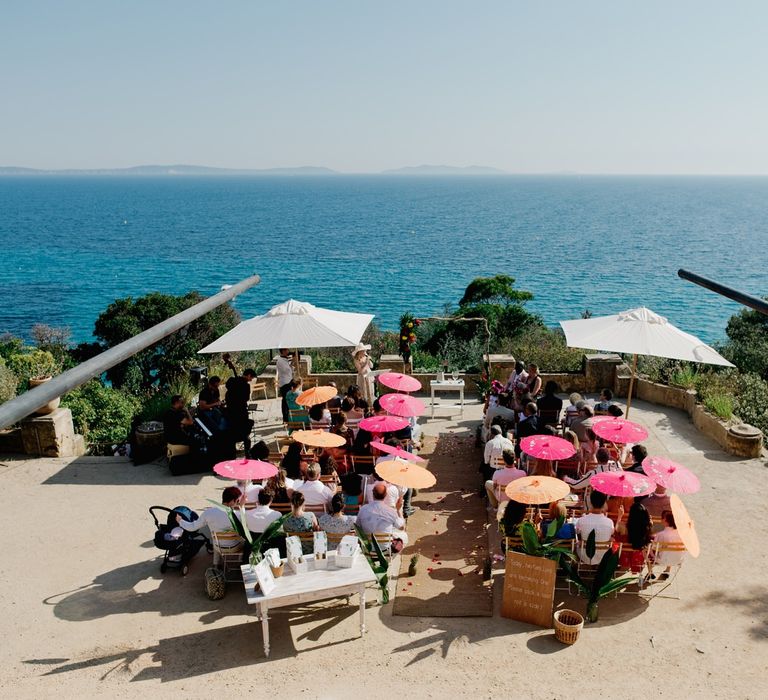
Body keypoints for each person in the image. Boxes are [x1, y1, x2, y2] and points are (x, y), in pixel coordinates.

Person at [176, 486, 243, 564]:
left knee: (216, 539)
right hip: (234, 547)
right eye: (237, 501)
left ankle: (216, 563)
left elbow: (193, 527)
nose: (238, 503)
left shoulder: (209, 512)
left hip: (218, 545)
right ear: (232, 501)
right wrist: (242, 508)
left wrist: (180, 521)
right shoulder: (238, 515)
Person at [221, 354, 256, 452]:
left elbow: (228, 388)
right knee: (245, 434)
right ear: (248, 375)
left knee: (232, 432)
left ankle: (232, 451)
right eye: (251, 378)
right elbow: (245, 398)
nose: (251, 380)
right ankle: (247, 453)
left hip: (231, 412)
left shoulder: (232, 381)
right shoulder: (245, 386)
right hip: (241, 412)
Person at [357, 482, 408, 548]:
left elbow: (358, 526)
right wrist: (398, 510)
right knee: (404, 536)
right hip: (385, 547)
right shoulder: (391, 511)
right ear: (386, 495)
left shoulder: (363, 509)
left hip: (368, 547)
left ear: (373, 494)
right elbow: (402, 527)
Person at [575, 490, 616, 564]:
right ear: (604, 503)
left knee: (576, 542)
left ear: (590, 502)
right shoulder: (609, 522)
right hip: (603, 556)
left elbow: (577, 533)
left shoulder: (581, 520)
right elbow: (612, 534)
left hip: (584, 555)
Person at [615, 499, 653, 573]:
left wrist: (620, 516)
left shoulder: (623, 527)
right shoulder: (648, 525)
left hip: (623, 557)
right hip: (639, 558)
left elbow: (615, 530)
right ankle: (649, 571)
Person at [652, 510, 685, 574]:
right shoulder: (681, 533)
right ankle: (668, 569)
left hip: (663, 560)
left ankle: (650, 573)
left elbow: (654, 548)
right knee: (670, 549)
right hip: (678, 560)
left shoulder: (661, 534)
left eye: (662, 518)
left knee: (646, 549)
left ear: (665, 520)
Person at [276, 348, 294, 422]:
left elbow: (290, 371)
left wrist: (293, 362)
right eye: (287, 350)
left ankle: (288, 417)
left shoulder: (285, 360)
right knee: (285, 402)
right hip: (284, 384)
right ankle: (285, 419)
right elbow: (287, 370)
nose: (288, 351)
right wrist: (292, 361)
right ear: (283, 351)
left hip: (288, 382)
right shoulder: (280, 361)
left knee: (288, 401)